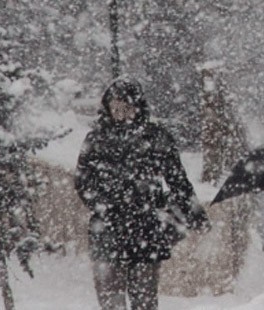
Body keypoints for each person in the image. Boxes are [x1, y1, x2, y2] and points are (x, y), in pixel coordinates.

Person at [74, 78, 210, 310]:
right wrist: (103, 205)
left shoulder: (156, 137)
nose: (120, 113)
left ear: (137, 107)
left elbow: (177, 180)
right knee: (110, 299)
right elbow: (83, 182)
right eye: (115, 107)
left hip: (145, 228)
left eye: (125, 107)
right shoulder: (96, 140)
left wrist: (194, 213)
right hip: (108, 227)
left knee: (145, 300)